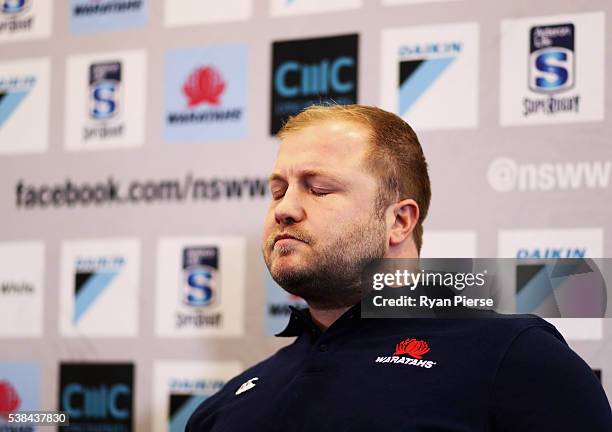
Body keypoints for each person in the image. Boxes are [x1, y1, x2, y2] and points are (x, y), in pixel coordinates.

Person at [186, 104, 612, 431]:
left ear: (399, 220)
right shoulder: (224, 406)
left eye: (317, 189)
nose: (286, 209)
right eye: (277, 191)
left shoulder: (516, 359)